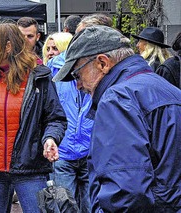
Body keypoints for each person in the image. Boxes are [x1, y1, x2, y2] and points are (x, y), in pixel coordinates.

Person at [52, 25, 181, 212]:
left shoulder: (118, 98)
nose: (78, 85)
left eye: (77, 75)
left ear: (102, 63)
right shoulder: (166, 89)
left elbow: (125, 193)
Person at [0, 23, 66, 213]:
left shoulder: (39, 78)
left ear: (8, 46)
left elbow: (55, 118)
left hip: (30, 168)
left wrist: (50, 138)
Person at [45, 31, 92, 213]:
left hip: (89, 151)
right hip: (62, 151)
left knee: (91, 205)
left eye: (55, 48)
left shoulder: (90, 69)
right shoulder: (49, 73)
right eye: (48, 48)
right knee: (65, 207)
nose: (50, 52)